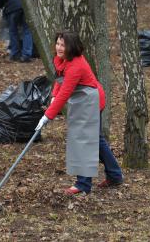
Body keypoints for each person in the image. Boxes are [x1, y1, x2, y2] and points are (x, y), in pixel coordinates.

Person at [35, 31, 123, 195]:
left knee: (83, 140)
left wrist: (48, 115)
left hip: (91, 101)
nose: (60, 48)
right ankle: (115, 175)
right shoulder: (61, 60)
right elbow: (59, 80)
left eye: (63, 45)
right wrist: (53, 96)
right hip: (84, 99)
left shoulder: (76, 65)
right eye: (58, 44)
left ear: (71, 46)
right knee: (95, 140)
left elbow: (66, 92)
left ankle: (83, 184)